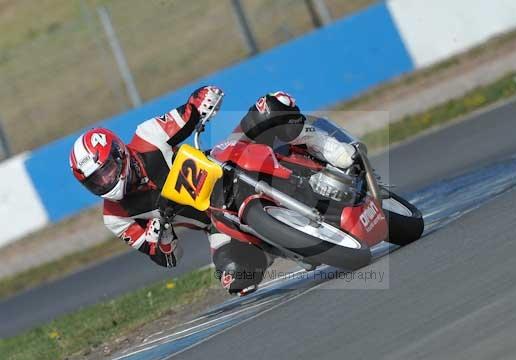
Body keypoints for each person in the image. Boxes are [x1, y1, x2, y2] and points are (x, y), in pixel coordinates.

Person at [69, 87, 356, 295]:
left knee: (272, 105)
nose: (106, 182)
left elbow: (190, 110)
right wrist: (161, 237)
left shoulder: (148, 136)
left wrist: (204, 101)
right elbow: (169, 257)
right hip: (216, 223)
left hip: (225, 165)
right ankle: (280, 242)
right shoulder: (116, 217)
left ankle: (324, 146)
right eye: (96, 181)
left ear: (119, 153)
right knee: (236, 278)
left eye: (106, 171)